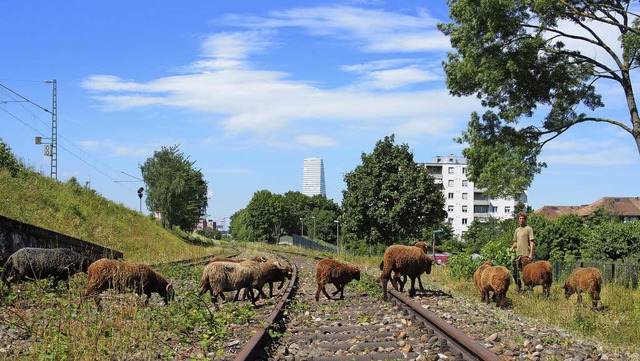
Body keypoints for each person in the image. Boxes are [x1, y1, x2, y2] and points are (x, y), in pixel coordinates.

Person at [510, 211, 534, 290]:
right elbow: (516, 242)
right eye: (520, 218)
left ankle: (528, 289)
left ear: (525, 219)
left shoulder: (528, 229)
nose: (521, 220)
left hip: (526, 255)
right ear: (518, 219)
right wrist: (511, 248)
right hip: (518, 255)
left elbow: (531, 242)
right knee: (515, 272)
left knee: (526, 274)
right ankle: (519, 288)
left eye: (523, 218)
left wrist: (530, 254)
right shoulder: (517, 230)